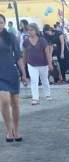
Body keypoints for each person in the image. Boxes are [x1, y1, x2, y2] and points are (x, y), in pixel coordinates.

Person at [0, 14, 27, 142]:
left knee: (15, 103)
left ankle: (16, 129)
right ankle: (8, 130)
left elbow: (18, 56)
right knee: (5, 100)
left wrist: (23, 73)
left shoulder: (11, 37)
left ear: (4, 23)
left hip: (11, 72)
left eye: (0, 22)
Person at [23, 23, 52, 105]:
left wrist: (50, 63)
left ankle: (47, 94)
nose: (29, 32)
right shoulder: (26, 42)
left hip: (43, 64)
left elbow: (47, 53)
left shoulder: (42, 40)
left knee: (44, 79)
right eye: (28, 30)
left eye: (31, 30)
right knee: (34, 80)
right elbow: (24, 54)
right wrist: (23, 65)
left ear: (36, 30)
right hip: (31, 64)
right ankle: (35, 98)